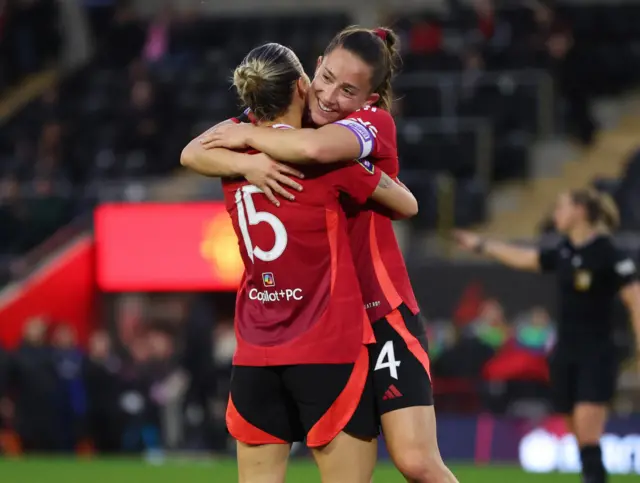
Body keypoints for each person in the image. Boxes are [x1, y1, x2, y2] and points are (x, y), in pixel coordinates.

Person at [182, 26, 458, 483]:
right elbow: (193, 152)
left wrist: (250, 142)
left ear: (369, 97)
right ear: (309, 73)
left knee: (416, 462)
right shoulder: (284, 116)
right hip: (326, 318)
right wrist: (248, 160)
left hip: (378, 308)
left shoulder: (368, 125)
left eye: (348, 90)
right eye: (325, 77)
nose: (329, 96)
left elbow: (310, 149)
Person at [220, 42, 419, 483]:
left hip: (256, 352)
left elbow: (191, 151)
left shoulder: (229, 158)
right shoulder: (331, 161)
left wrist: (248, 151)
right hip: (325, 345)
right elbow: (406, 204)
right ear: (303, 83)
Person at [455, 189, 640, 483]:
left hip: (597, 355)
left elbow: (635, 299)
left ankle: (594, 477)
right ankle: (593, 474)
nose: (556, 214)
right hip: (565, 354)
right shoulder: (565, 250)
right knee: (578, 434)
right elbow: (524, 258)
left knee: (588, 432)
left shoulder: (608, 253)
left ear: (579, 211)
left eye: (561, 207)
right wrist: (482, 245)